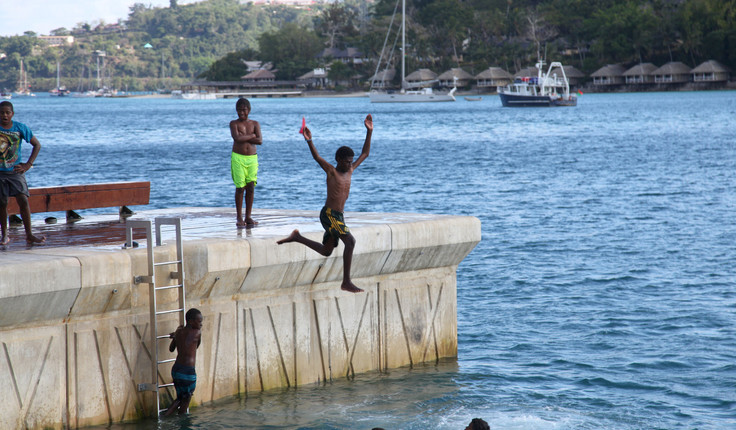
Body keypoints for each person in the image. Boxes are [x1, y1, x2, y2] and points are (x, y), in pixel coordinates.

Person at [277, 114, 372, 293]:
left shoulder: (350, 170)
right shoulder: (331, 172)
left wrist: (369, 131)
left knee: (327, 251)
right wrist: (309, 141)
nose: (349, 164)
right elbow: (317, 157)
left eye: (351, 162)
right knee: (350, 241)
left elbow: (365, 153)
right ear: (337, 160)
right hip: (329, 214)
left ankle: (297, 237)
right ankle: (346, 282)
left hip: (339, 217)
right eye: (346, 162)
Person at [0, 101, 45, 245]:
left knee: (23, 199)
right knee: (2, 202)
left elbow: (37, 145)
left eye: (7, 112)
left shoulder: (20, 128)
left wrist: (28, 164)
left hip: (15, 172)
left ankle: (29, 234)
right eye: (2, 112)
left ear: (12, 114)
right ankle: (4, 235)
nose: (5, 115)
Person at [229, 98, 262, 228]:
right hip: (238, 158)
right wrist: (252, 136)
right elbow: (237, 138)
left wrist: (246, 138)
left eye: (244, 110)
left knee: (251, 186)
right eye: (239, 110)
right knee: (240, 187)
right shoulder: (234, 124)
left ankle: (248, 216)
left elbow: (260, 141)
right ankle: (239, 216)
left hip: (252, 158)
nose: (241, 112)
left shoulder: (255, 124)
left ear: (249, 110)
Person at [164, 308, 203, 416]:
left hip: (176, 370)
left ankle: (165, 417)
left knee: (180, 398)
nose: (201, 324)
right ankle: (182, 422)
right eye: (199, 322)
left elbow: (171, 349)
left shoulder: (179, 332)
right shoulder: (197, 332)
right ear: (190, 321)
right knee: (187, 398)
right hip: (187, 372)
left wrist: (176, 335)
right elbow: (197, 346)